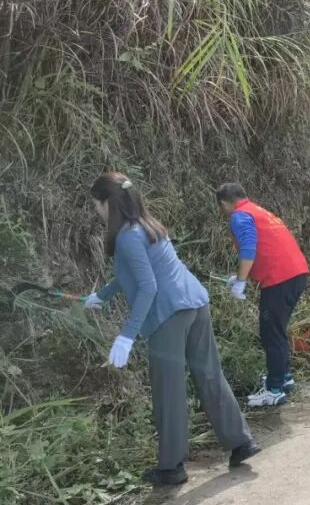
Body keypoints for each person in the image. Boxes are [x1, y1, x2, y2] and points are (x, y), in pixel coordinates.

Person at [84, 173, 259, 486]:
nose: (97, 210)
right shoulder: (149, 225)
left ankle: (171, 467)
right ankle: (241, 442)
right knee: (209, 375)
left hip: (169, 314)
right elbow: (135, 274)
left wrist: (126, 335)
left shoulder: (126, 236)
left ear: (108, 203)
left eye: (97, 204)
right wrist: (102, 295)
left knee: (169, 391)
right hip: (194, 303)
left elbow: (148, 286)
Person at [216, 183, 310, 408]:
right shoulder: (258, 211)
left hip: (280, 279)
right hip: (295, 273)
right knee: (276, 330)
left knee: (270, 333)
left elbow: (249, 249)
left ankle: (274, 390)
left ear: (223, 203)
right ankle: (283, 377)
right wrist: (242, 277)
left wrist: (240, 282)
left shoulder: (239, 216)